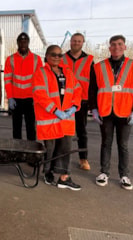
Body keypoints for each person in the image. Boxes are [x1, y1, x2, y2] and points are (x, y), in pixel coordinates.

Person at [89, 34, 133, 190]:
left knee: (123, 145)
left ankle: (124, 176)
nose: (116, 47)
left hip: (125, 112)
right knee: (106, 143)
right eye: (113, 44)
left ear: (125, 47)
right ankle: (104, 173)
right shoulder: (99, 67)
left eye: (120, 44)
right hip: (105, 111)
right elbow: (92, 89)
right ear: (109, 47)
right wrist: (93, 108)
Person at [33, 45, 82, 191]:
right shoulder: (41, 73)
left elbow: (77, 90)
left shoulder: (67, 72)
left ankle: (63, 177)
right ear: (47, 56)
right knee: (51, 148)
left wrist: (74, 106)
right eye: (53, 54)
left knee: (65, 148)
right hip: (50, 118)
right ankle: (48, 172)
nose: (57, 57)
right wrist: (55, 110)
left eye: (59, 55)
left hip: (66, 118)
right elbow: (39, 95)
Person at [62, 33, 95, 170]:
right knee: (63, 131)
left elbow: (93, 83)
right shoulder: (62, 58)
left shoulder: (89, 60)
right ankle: (61, 157)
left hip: (82, 100)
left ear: (83, 43)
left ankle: (83, 159)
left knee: (81, 131)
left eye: (79, 41)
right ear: (70, 42)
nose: (76, 43)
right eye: (74, 41)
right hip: (65, 100)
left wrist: (92, 103)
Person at [4, 32, 43, 141]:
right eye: (21, 42)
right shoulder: (10, 59)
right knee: (16, 127)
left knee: (31, 127)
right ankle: (17, 150)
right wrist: (10, 97)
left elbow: (40, 81)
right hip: (16, 99)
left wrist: (37, 98)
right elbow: (7, 80)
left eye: (25, 42)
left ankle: (31, 151)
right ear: (17, 43)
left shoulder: (36, 59)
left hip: (31, 99)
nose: (23, 44)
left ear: (28, 43)